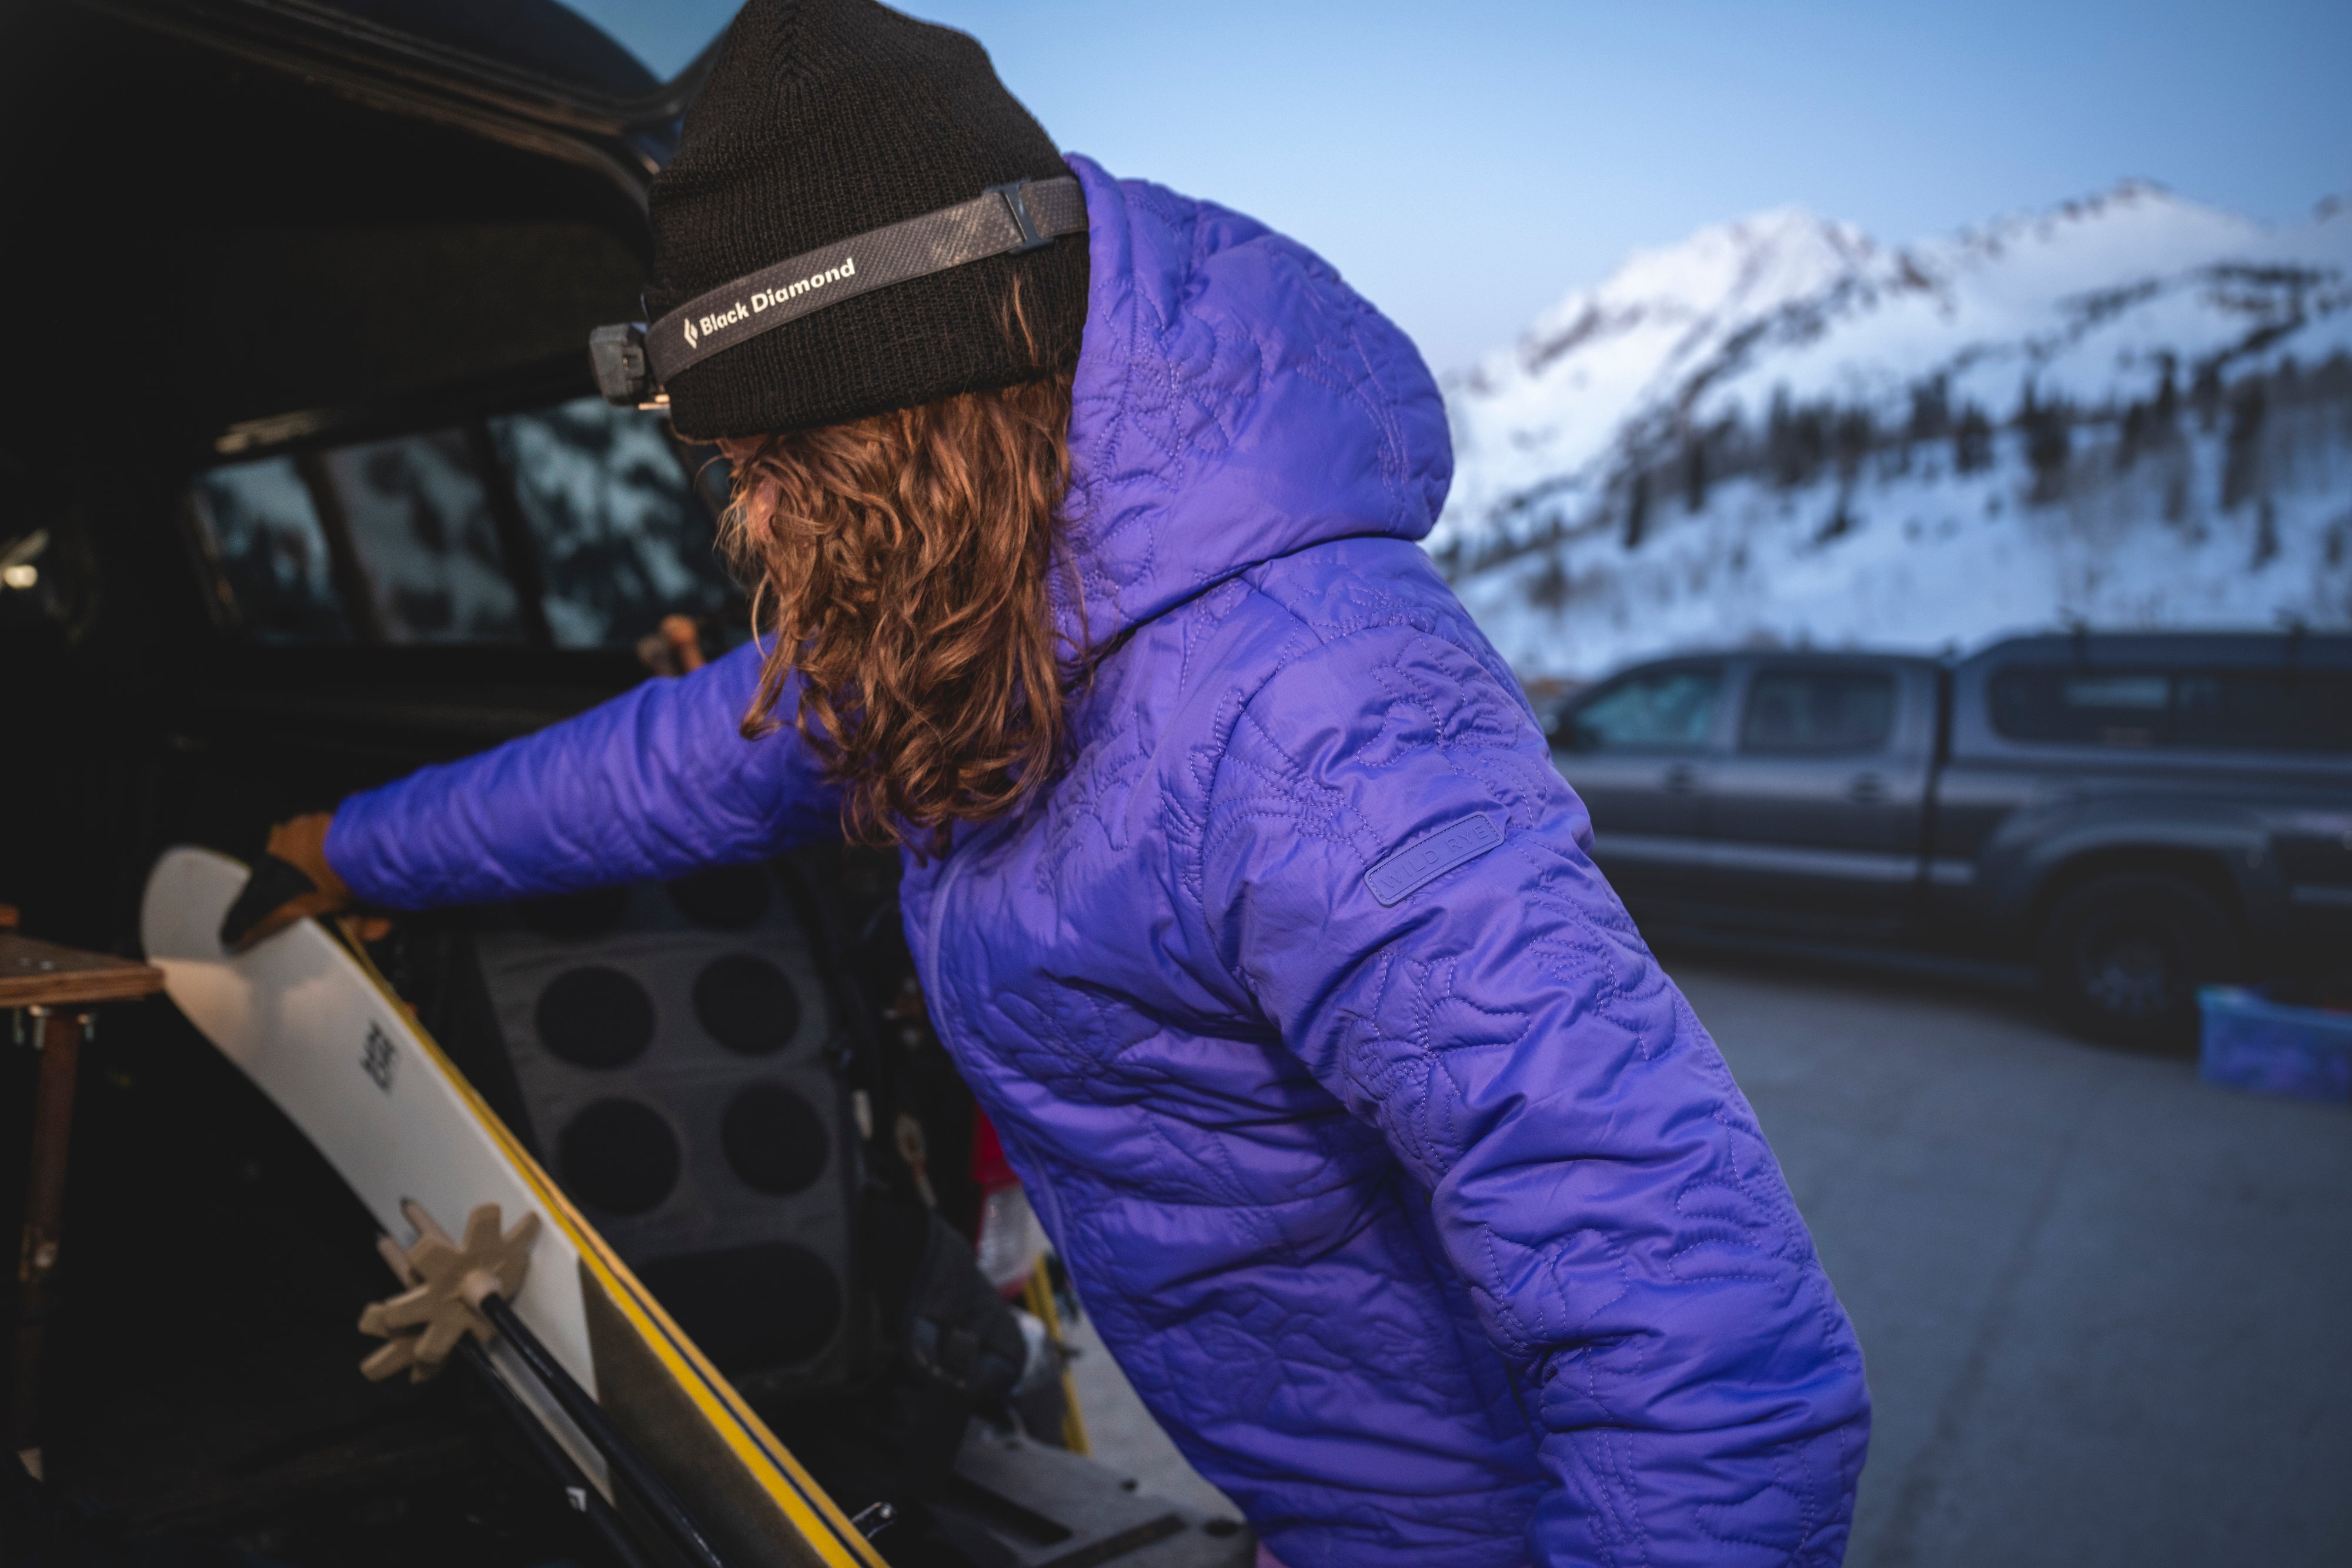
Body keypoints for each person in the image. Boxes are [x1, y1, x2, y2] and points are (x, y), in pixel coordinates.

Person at [225, 1, 1870, 1562]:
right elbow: (674, 762)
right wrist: (362, 843)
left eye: (779, 470)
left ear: (912, 416)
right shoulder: (955, 615)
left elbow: (1711, 1356)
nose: (759, 535)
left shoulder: (1316, 708)